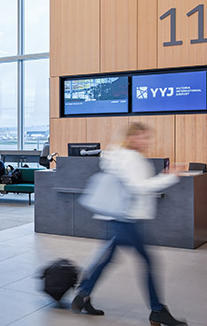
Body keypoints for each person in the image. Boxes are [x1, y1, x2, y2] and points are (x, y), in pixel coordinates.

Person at [71, 123, 187, 325]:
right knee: (148, 261)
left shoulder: (117, 155)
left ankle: (83, 295)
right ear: (132, 137)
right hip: (127, 218)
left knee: (107, 258)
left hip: (116, 216)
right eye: (143, 137)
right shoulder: (131, 158)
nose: (147, 141)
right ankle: (157, 309)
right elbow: (139, 187)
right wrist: (168, 177)